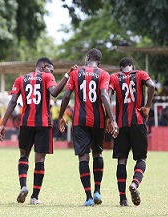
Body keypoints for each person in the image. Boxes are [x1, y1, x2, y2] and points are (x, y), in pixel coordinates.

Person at [0, 57, 76, 205]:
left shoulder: (20, 79)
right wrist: (67, 76)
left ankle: (23, 186)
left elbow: (13, 102)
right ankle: (34, 197)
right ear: (45, 67)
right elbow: (54, 92)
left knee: (23, 156)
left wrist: (3, 123)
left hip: (26, 123)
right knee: (39, 160)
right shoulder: (47, 76)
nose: (52, 74)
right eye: (51, 70)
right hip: (43, 124)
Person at [58, 48, 119, 206]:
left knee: (83, 157)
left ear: (87, 57)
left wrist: (60, 117)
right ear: (98, 61)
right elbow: (105, 96)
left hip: (79, 121)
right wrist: (111, 119)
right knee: (98, 154)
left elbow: (65, 96)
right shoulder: (104, 74)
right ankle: (97, 191)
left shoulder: (75, 73)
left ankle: (88, 197)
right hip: (98, 121)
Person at [108, 57, 155, 206]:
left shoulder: (114, 77)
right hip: (138, 122)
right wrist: (147, 106)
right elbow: (151, 86)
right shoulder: (140, 74)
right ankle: (134, 183)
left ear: (120, 67)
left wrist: (110, 119)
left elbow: (107, 96)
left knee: (121, 161)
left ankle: (122, 199)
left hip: (121, 124)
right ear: (132, 66)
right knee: (141, 158)